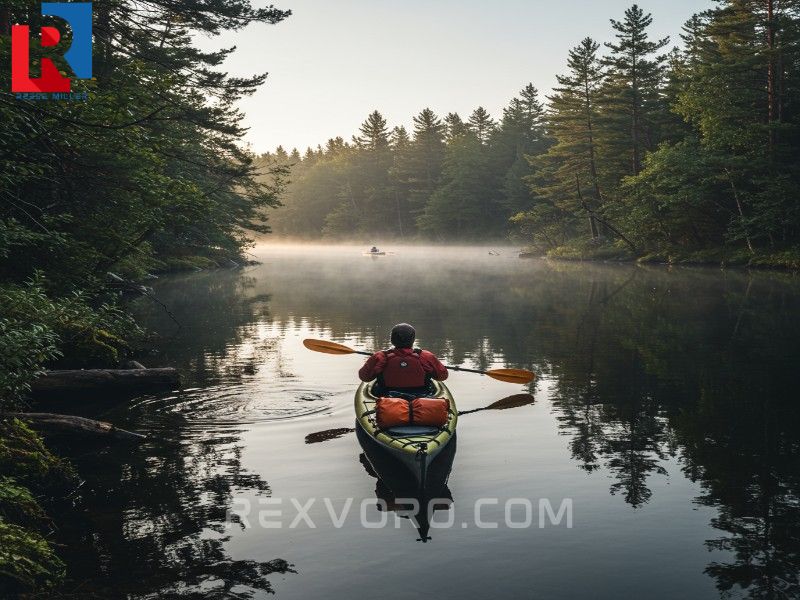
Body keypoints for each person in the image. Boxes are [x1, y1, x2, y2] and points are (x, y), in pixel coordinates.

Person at [358, 323, 448, 393]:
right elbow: (442, 376)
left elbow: (364, 377)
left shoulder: (379, 356)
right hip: (422, 398)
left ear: (392, 339)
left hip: (386, 399)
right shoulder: (426, 356)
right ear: (412, 339)